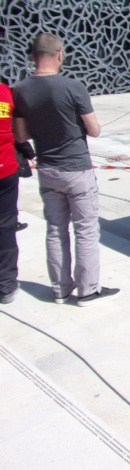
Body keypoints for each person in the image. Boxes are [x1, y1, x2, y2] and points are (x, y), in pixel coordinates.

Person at [13, 33, 119, 306]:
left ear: (32, 55)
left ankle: (60, 289)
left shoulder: (20, 89)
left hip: (47, 168)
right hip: (76, 168)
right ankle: (87, 290)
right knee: (85, 230)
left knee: (55, 229)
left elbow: (21, 135)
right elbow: (94, 130)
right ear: (60, 54)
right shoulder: (73, 86)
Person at [0, 80, 20, 304]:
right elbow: (18, 131)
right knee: (5, 226)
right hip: (5, 167)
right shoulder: (5, 93)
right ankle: (6, 285)